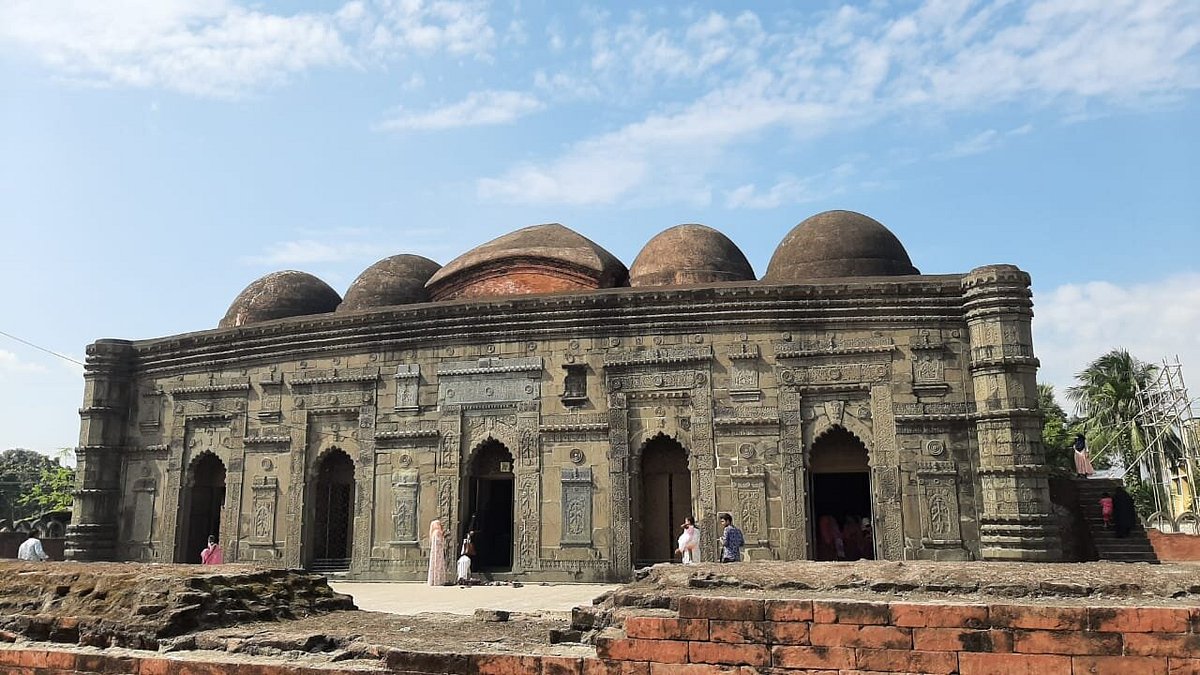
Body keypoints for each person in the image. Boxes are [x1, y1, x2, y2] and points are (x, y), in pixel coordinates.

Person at [427, 520, 447, 586]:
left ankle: (434, 580)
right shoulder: (437, 532)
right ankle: (438, 580)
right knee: (438, 565)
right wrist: (443, 535)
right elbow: (439, 542)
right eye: (438, 524)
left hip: (435, 551)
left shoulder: (433, 533)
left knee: (435, 564)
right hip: (438, 551)